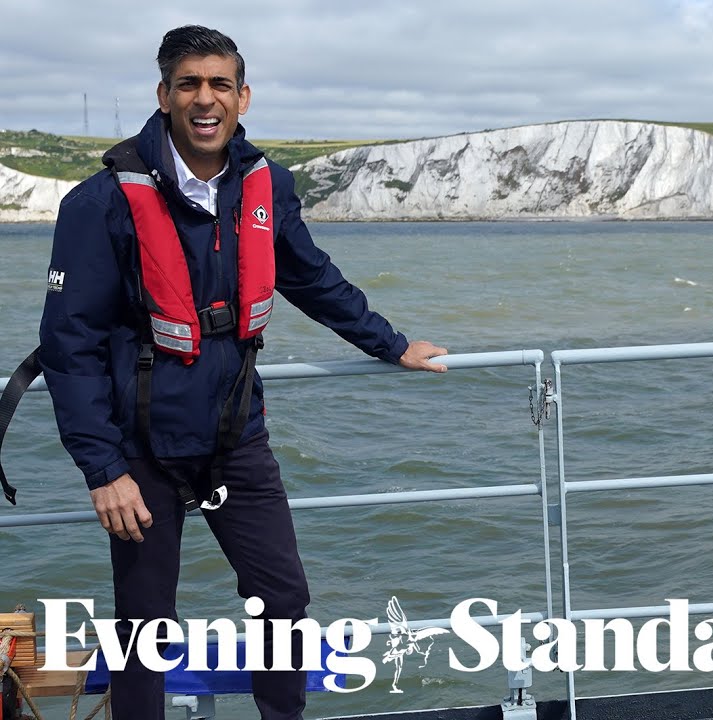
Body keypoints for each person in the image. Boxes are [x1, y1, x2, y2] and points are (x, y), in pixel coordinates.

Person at [38, 25, 447, 719]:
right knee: (145, 625)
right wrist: (102, 470)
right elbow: (67, 346)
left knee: (282, 598)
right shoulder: (99, 204)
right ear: (163, 95)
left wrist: (391, 343)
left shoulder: (266, 186)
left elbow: (312, 279)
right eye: (189, 84)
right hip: (140, 452)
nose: (206, 100)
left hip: (236, 437)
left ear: (242, 97)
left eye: (220, 85)